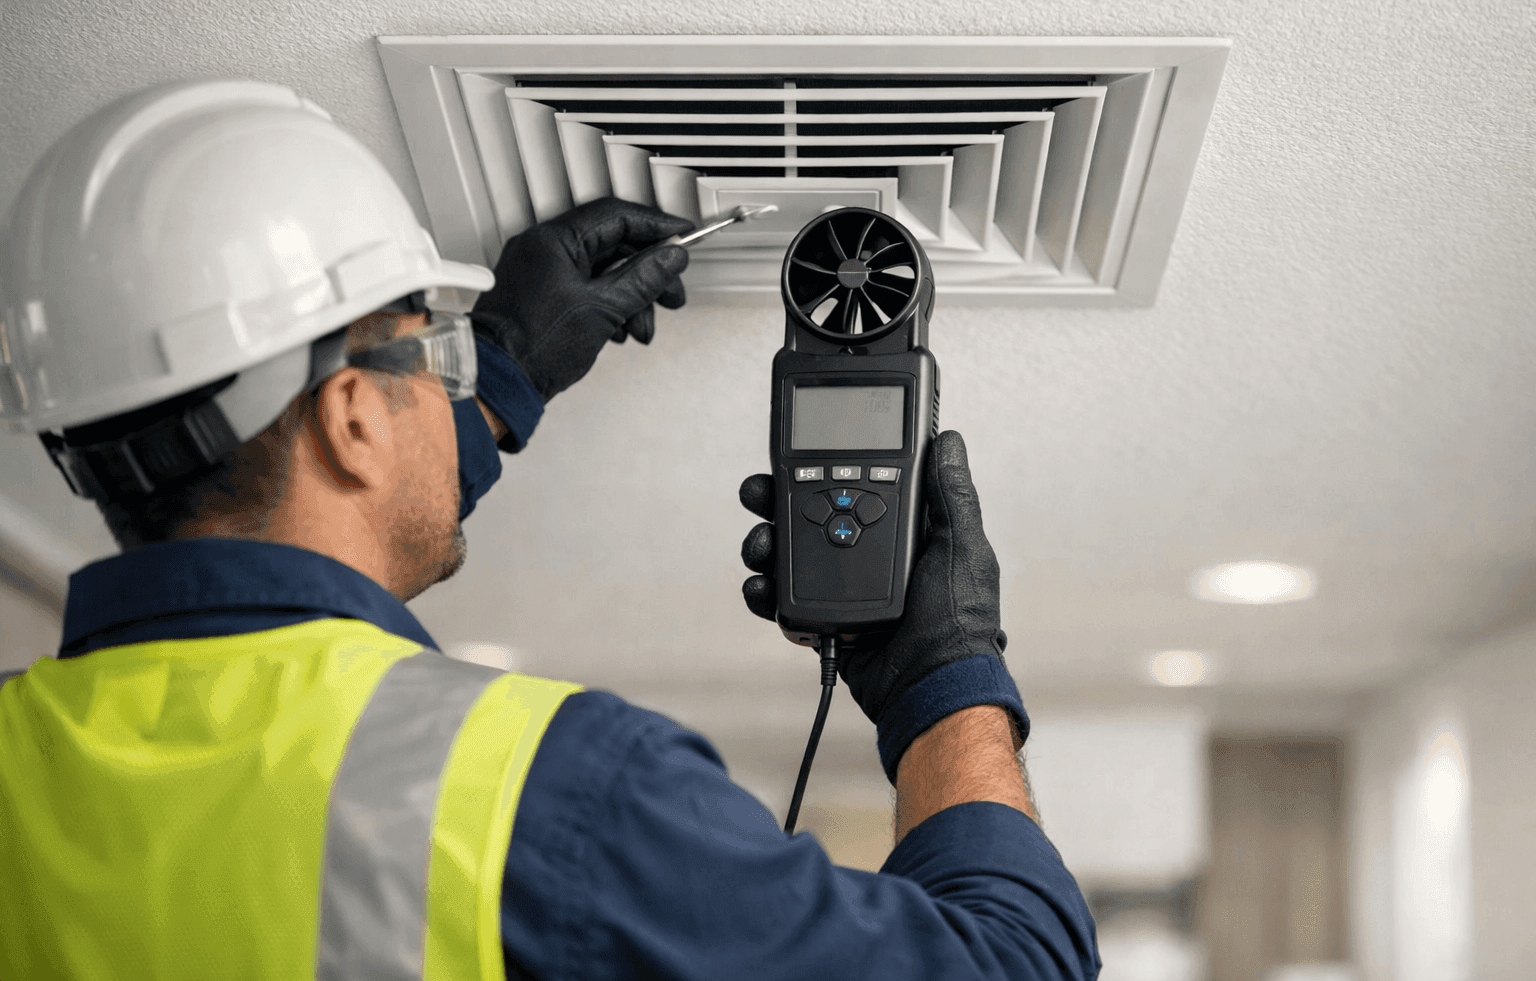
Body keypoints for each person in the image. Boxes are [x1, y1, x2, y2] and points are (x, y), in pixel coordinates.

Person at [0, 79, 1100, 980]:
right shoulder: (557, 791)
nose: (455, 366)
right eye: (431, 352)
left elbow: (292, 523)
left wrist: (489, 382)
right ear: (350, 422)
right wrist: (945, 682)